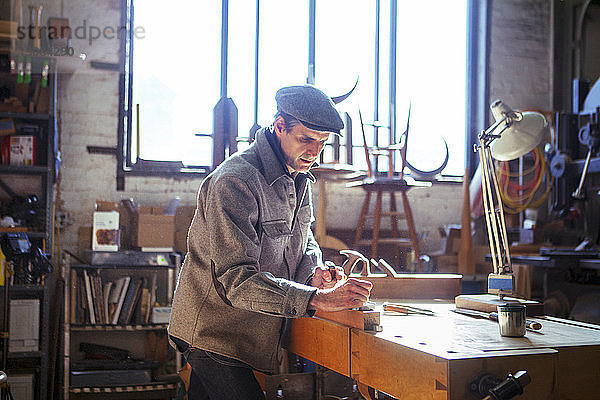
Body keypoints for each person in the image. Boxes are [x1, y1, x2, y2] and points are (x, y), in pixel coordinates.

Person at [168, 85, 373, 399]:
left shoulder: (299, 177)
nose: (314, 151)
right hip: (213, 333)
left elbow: (304, 242)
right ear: (280, 126)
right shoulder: (235, 182)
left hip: (248, 333)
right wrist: (317, 299)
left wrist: (313, 273)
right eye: (305, 139)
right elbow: (237, 280)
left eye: (322, 142)